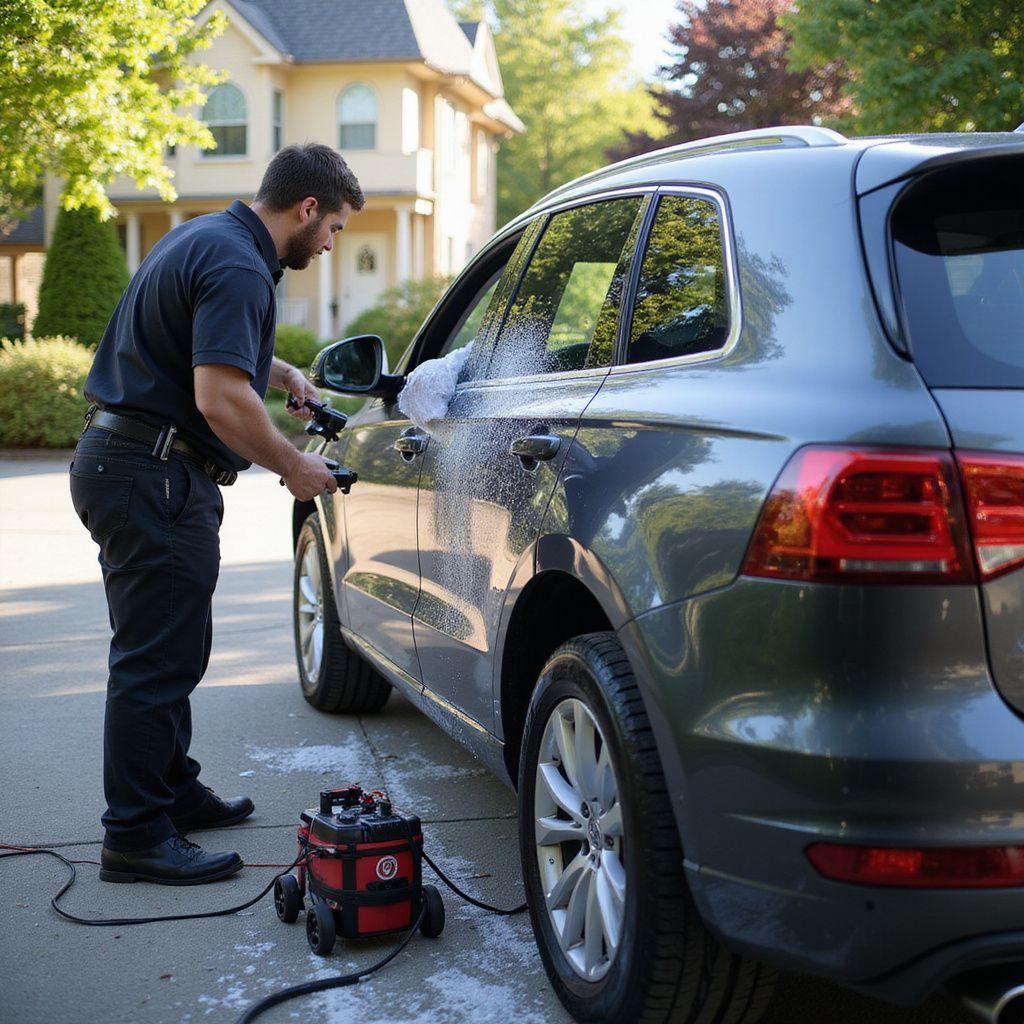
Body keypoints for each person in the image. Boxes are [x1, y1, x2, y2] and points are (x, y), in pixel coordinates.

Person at [69, 143, 364, 885]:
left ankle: (172, 791)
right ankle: (134, 835)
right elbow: (219, 396)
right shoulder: (239, 265)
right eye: (333, 229)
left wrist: (281, 371)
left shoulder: (208, 236)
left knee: (171, 645)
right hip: (154, 472)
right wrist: (294, 466)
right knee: (155, 661)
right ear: (306, 209)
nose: (330, 245)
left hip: (130, 465)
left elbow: (203, 349)